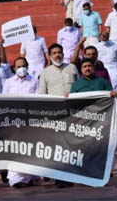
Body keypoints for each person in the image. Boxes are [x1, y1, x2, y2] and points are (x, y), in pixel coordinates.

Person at [38, 44, 77, 189]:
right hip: (54, 115)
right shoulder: (45, 73)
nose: (57, 55)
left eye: (59, 52)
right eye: (54, 53)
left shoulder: (72, 68)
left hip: (72, 113)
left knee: (70, 146)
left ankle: (70, 176)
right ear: (49, 55)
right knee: (57, 148)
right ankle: (59, 177)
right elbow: (42, 94)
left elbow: (79, 87)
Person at [2, 57, 40, 188]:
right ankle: (15, 179)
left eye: (23, 66)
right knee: (15, 150)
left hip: (29, 121)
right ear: (14, 68)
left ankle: (28, 177)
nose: (21, 69)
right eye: (18, 66)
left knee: (29, 149)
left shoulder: (34, 81)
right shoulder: (8, 82)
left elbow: (38, 101)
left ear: (28, 66)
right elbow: (3, 102)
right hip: (13, 122)